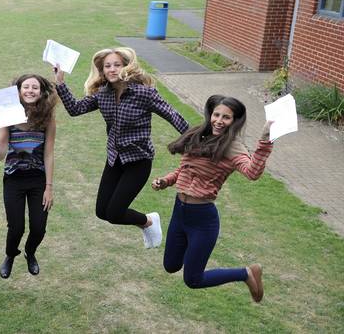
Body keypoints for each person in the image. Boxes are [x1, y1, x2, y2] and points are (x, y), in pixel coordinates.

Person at [53, 47, 189, 248]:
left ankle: (149, 221)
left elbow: (174, 116)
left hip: (138, 161)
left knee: (115, 212)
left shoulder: (144, 93)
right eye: (107, 66)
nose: (112, 69)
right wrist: (60, 83)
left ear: (127, 66)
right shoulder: (103, 94)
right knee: (102, 211)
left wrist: (199, 142)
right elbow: (75, 109)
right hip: (114, 159)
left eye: (117, 65)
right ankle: (148, 221)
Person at [151, 95, 273, 302]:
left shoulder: (233, 146)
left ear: (235, 121)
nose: (219, 120)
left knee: (193, 279)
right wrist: (166, 181)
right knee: (170, 265)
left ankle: (246, 273)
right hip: (179, 211)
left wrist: (265, 143)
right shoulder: (199, 135)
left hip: (202, 219)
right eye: (216, 114)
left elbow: (252, 173)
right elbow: (184, 169)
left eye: (226, 117)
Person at [0, 74, 57, 278]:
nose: (30, 90)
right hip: (14, 179)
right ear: (18, 91)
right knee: (16, 228)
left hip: (38, 180)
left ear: (41, 92)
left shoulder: (47, 119)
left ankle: (30, 252)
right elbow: (0, 154)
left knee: (39, 228)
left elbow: (49, 153)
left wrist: (49, 188)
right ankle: (10, 255)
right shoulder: (8, 118)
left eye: (35, 87)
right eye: (25, 87)